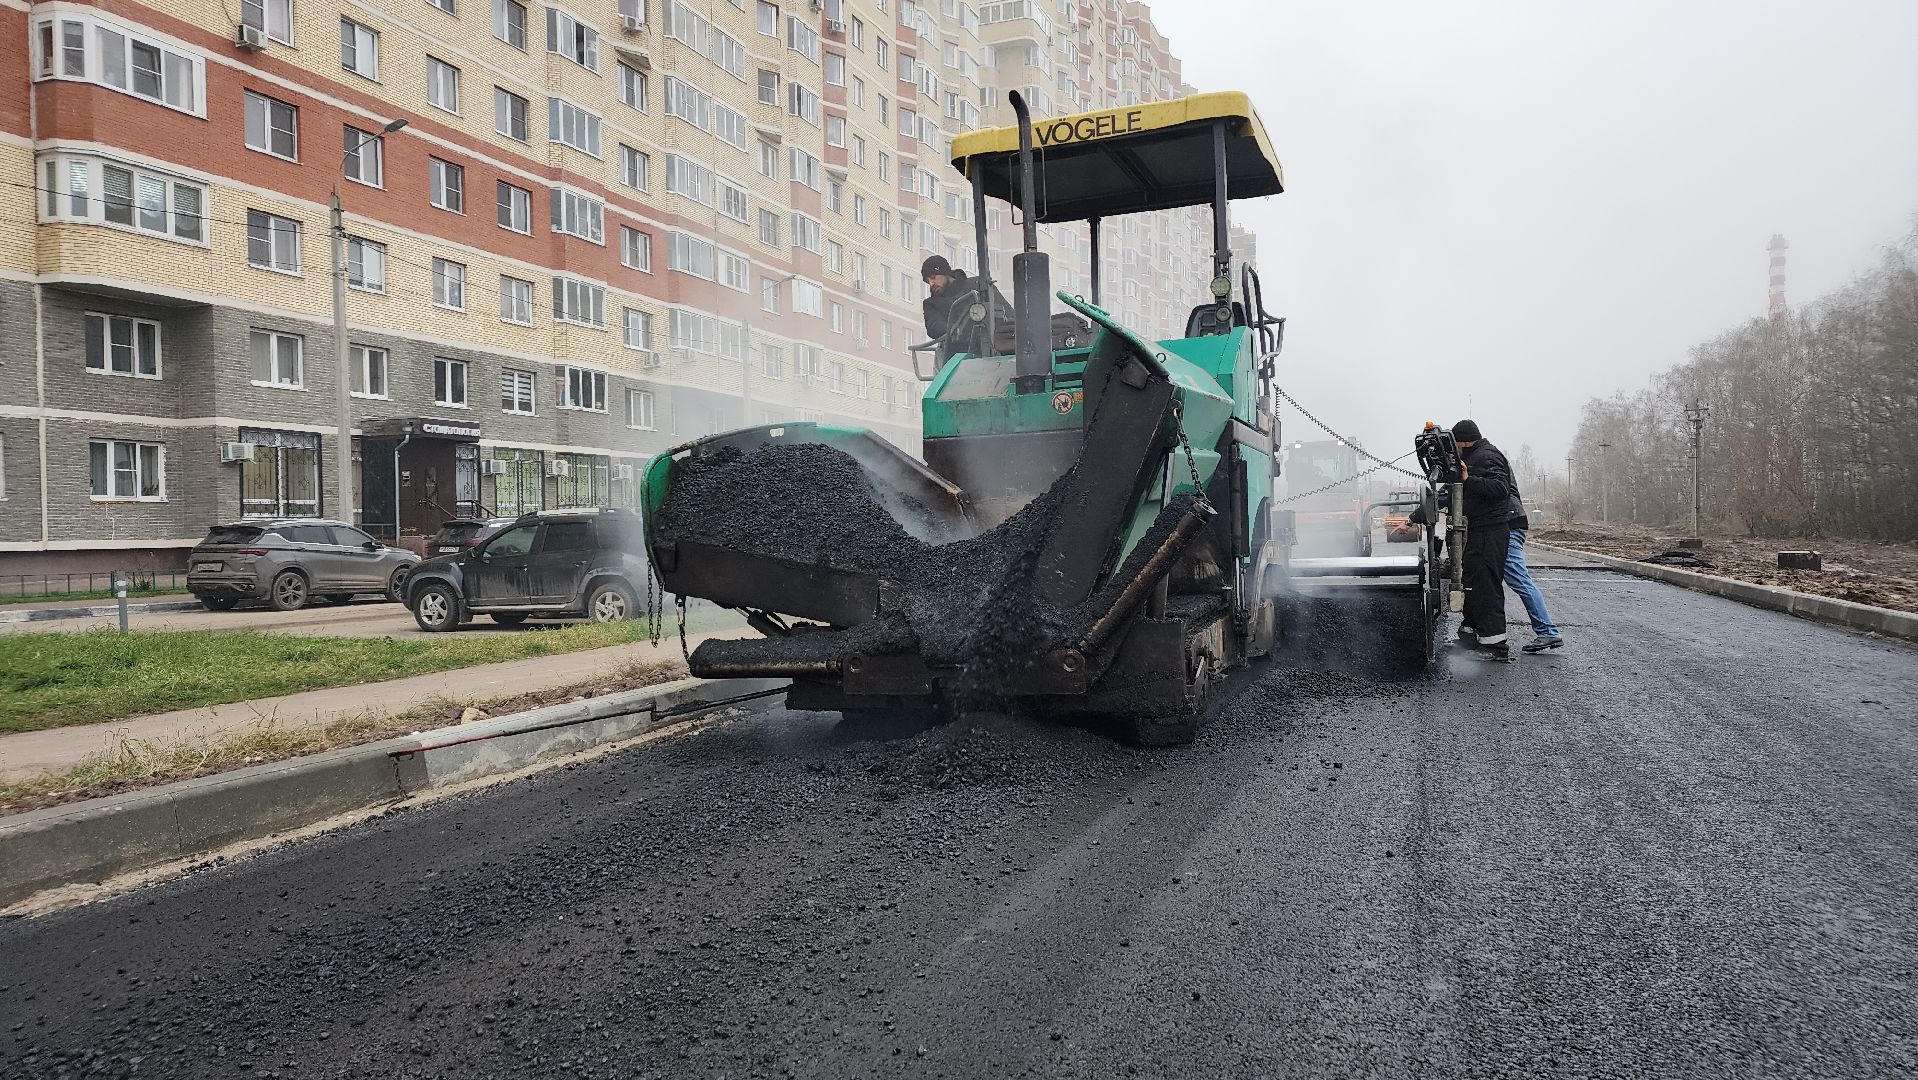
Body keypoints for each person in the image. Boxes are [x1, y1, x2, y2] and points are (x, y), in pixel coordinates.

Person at [1452, 420, 1515, 660]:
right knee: (1474, 584)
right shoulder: (1475, 457)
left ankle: (1494, 646)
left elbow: (1500, 488)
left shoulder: (1487, 456)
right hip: (1478, 531)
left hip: (1490, 532)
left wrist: (1469, 480)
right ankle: (1471, 636)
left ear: (1463, 442)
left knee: (1487, 587)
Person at [1504, 482, 1565, 652]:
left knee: (1520, 580)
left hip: (1509, 523)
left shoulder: (1490, 466)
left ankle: (1548, 631)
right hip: (1512, 520)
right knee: (1517, 580)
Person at [920, 255, 1010, 357]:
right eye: (928, 281)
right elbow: (934, 327)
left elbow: (1006, 310)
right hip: (958, 354)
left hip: (995, 348)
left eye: (933, 278)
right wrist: (959, 329)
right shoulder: (931, 303)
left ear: (945, 273)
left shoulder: (979, 285)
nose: (931, 283)